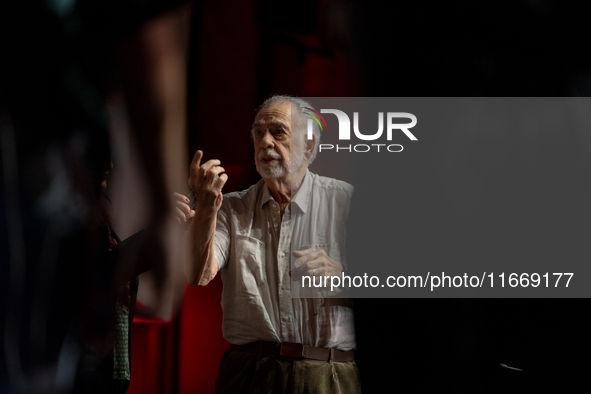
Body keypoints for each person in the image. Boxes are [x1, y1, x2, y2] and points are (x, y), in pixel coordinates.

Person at [183, 95, 360, 393]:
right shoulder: (230, 208)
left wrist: (343, 276)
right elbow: (198, 275)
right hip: (251, 373)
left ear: (308, 145)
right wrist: (207, 209)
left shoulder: (347, 201)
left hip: (330, 376)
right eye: (258, 132)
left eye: (278, 131)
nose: (265, 141)